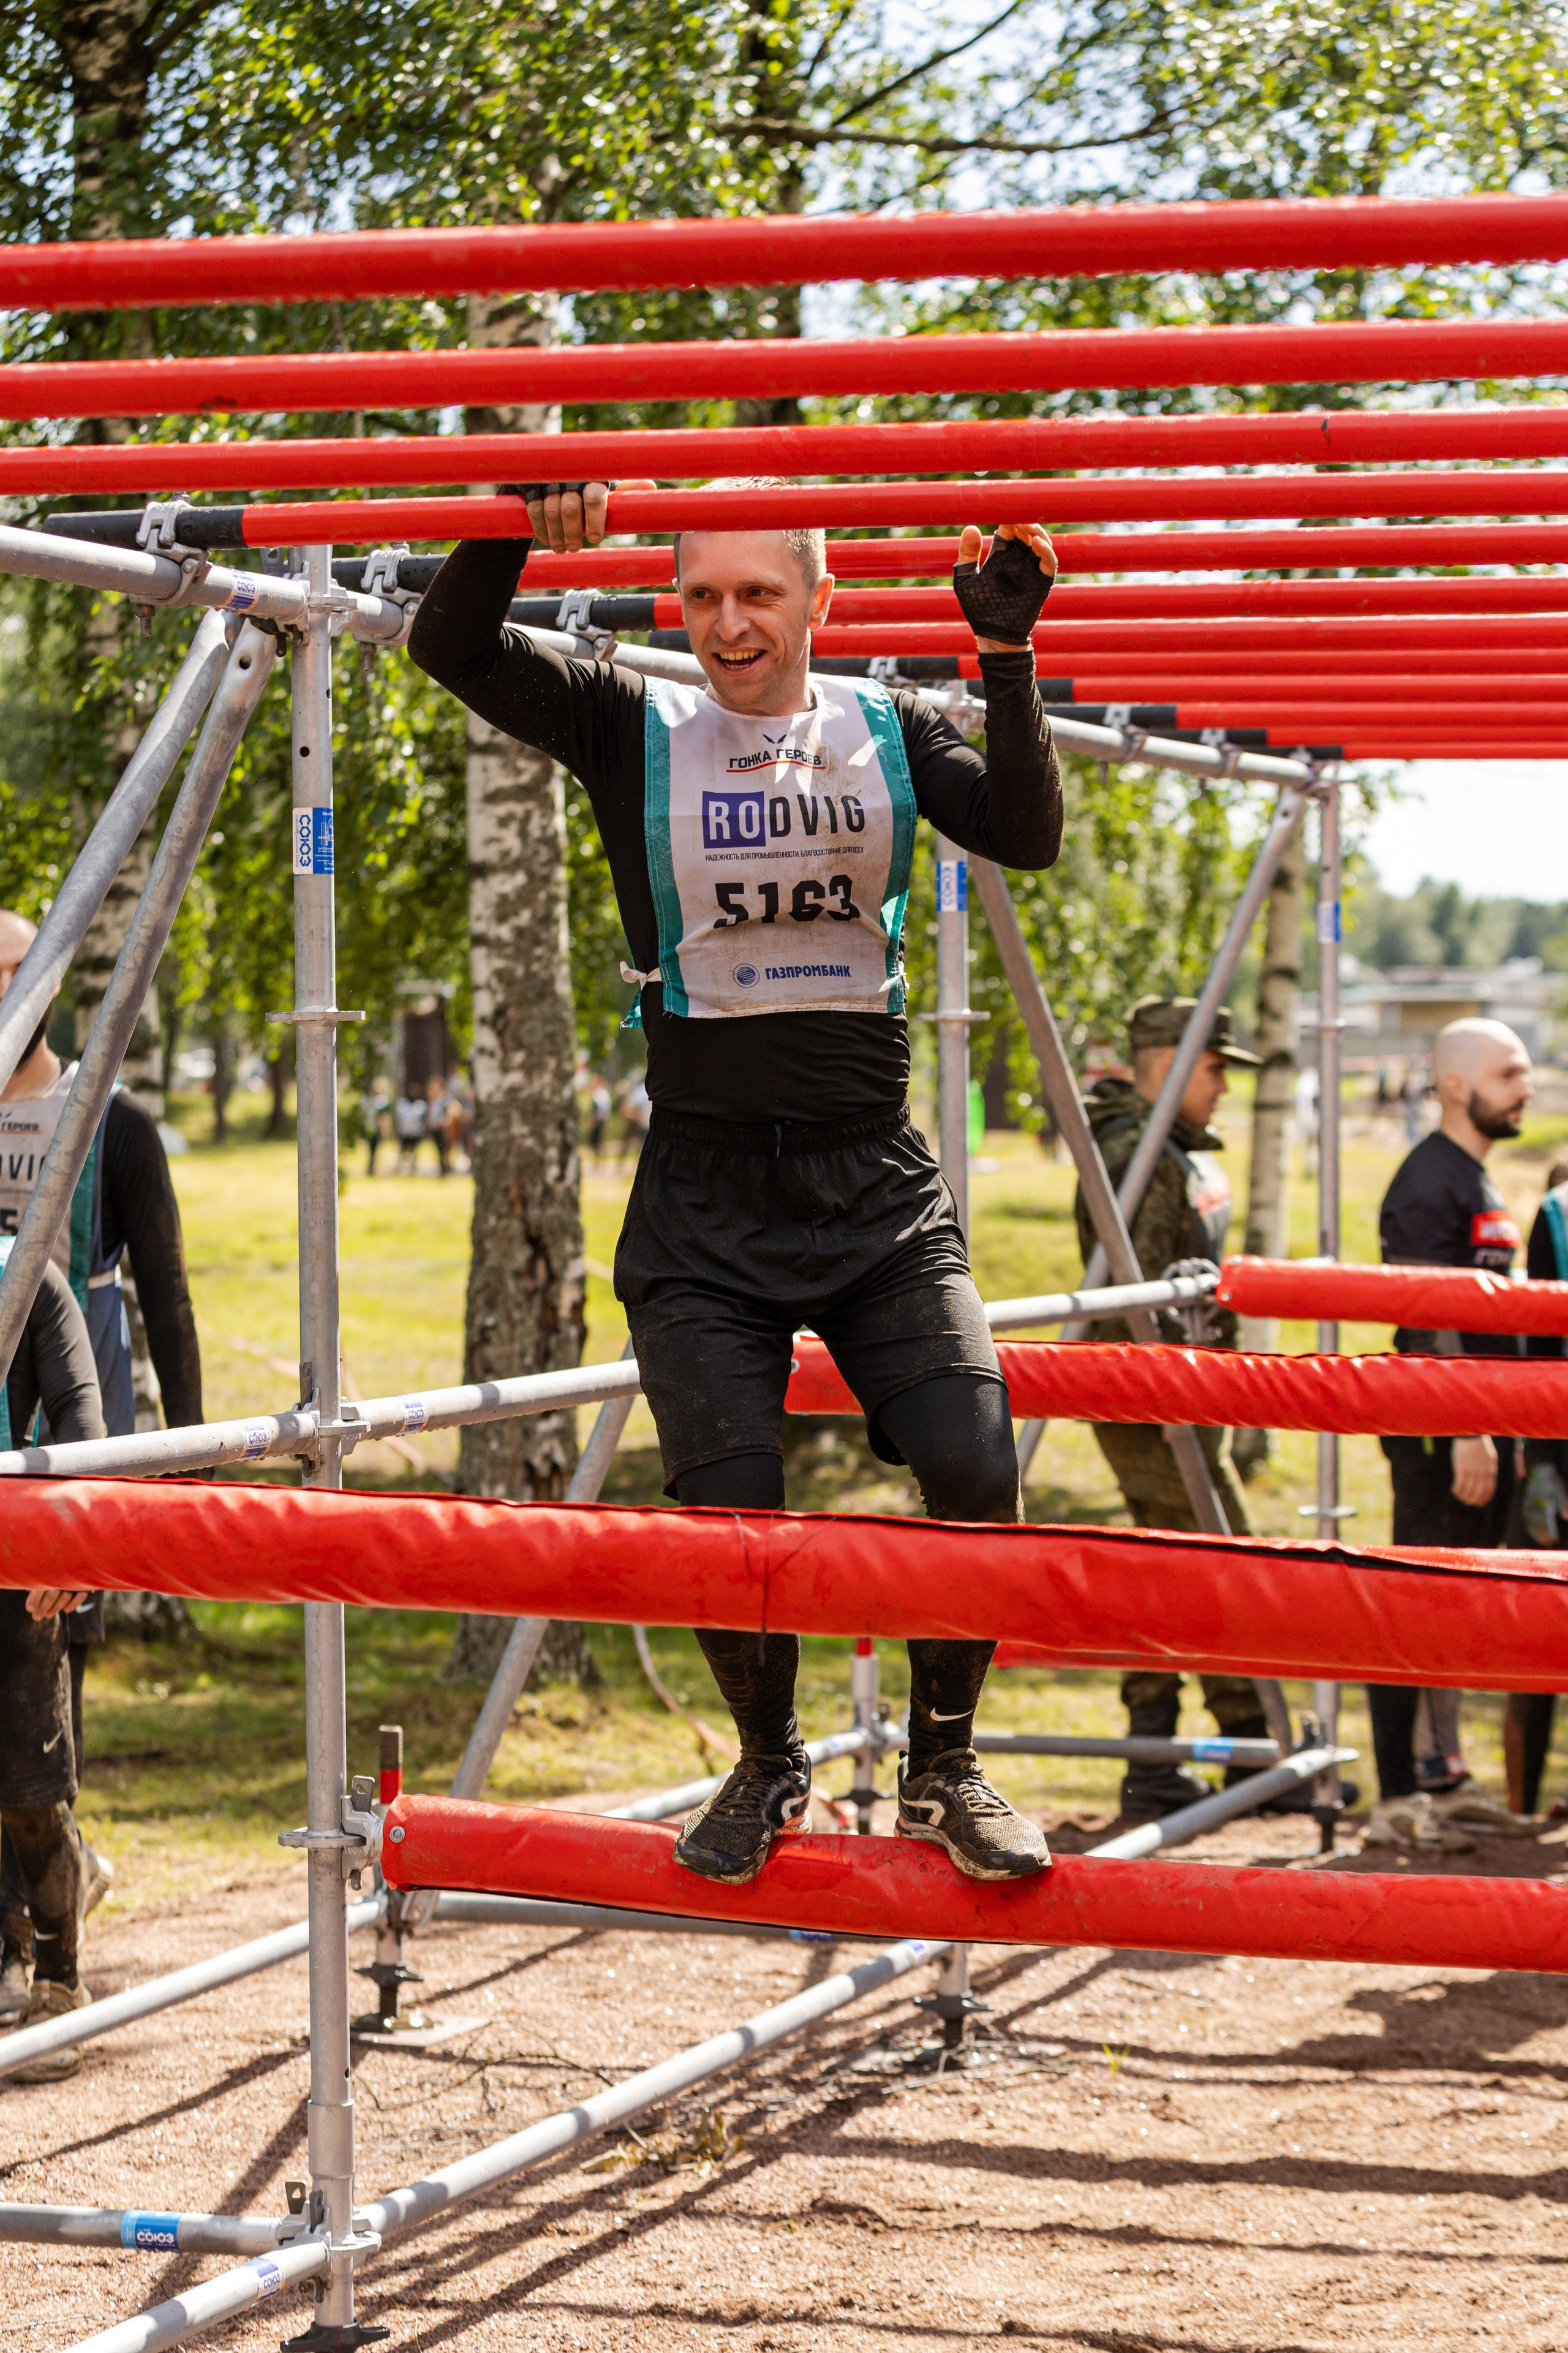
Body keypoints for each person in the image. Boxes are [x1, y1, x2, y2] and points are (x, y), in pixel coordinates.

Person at [411, 473, 1061, 1886]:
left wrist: (1004, 661)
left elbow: (1025, 830)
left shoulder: (888, 729)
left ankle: (945, 1760)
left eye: (758, 593)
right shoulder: (628, 723)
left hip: (874, 1190)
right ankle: (768, 1758)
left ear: (820, 599)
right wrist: (513, 514)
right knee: (729, 1516)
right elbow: (449, 645)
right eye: (699, 594)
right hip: (703, 1201)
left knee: (969, 1460)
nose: (726, 624)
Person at [0, 907, 204, 1928]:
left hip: (83, 1437)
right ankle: (52, 1881)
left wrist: (195, 1463)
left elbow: (168, 1295)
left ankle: (49, 1912)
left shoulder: (109, 1121)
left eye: (10, 974)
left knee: (52, 1677)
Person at [1072, 997, 1301, 1821]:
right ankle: (1253, 1745)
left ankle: (1156, 1750)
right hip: (1152, 1397)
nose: (1226, 1089)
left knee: (1164, 1568)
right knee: (1220, 1558)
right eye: (1214, 1070)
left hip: (1186, 1391)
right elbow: (1136, 1298)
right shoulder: (1136, 1154)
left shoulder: (1172, 1147)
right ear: (1168, 1063)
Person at [1368, 1015, 1538, 1850]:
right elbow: (1421, 1306)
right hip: (1441, 1434)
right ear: (1459, 1085)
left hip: (1481, 1427)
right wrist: (1468, 1422)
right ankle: (1397, 1793)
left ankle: (1446, 1771)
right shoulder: (1428, 1179)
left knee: (1458, 1609)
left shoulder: (1476, 1176)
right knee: (1411, 1599)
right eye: (1511, 1074)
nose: (1527, 1088)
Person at [0, 1237, 107, 2071]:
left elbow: (79, 1412)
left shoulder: (26, 1273)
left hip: (17, 1566)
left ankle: (60, 1980)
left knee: (30, 1797)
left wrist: (69, 1545)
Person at [1503, 1156, 1568, 1815]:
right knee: (1541, 1635)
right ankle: (1522, 1805)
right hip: (1559, 1452)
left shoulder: (1555, 1212)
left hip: (1555, 1450)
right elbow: (1542, 1348)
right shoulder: (1557, 1215)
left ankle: (1523, 1805)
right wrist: (1544, 1460)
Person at [393, 1087, 426, 1174]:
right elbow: (399, 1119)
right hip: (404, 1132)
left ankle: (413, 1169)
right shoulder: (402, 1104)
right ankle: (399, 1169)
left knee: (414, 1152)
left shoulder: (420, 1106)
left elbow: (422, 1120)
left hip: (415, 1133)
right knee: (402, 1151)